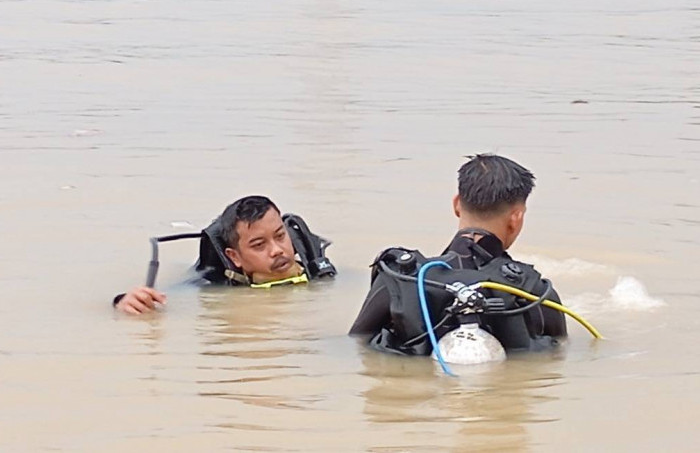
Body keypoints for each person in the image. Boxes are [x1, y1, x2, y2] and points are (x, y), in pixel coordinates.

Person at [349, 154, 567, 354]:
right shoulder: (533, 290)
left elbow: (357, 344)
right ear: (516, 218)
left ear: (456, 205)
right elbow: (559, 354)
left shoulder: (400, 278)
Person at [114, 195, 336, 314]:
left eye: (280, 236)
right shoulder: (212, 286)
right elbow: (166, 298)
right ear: (235, 256)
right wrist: (123, 301)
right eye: (259, 245)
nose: (276, 249)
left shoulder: (320, 271)